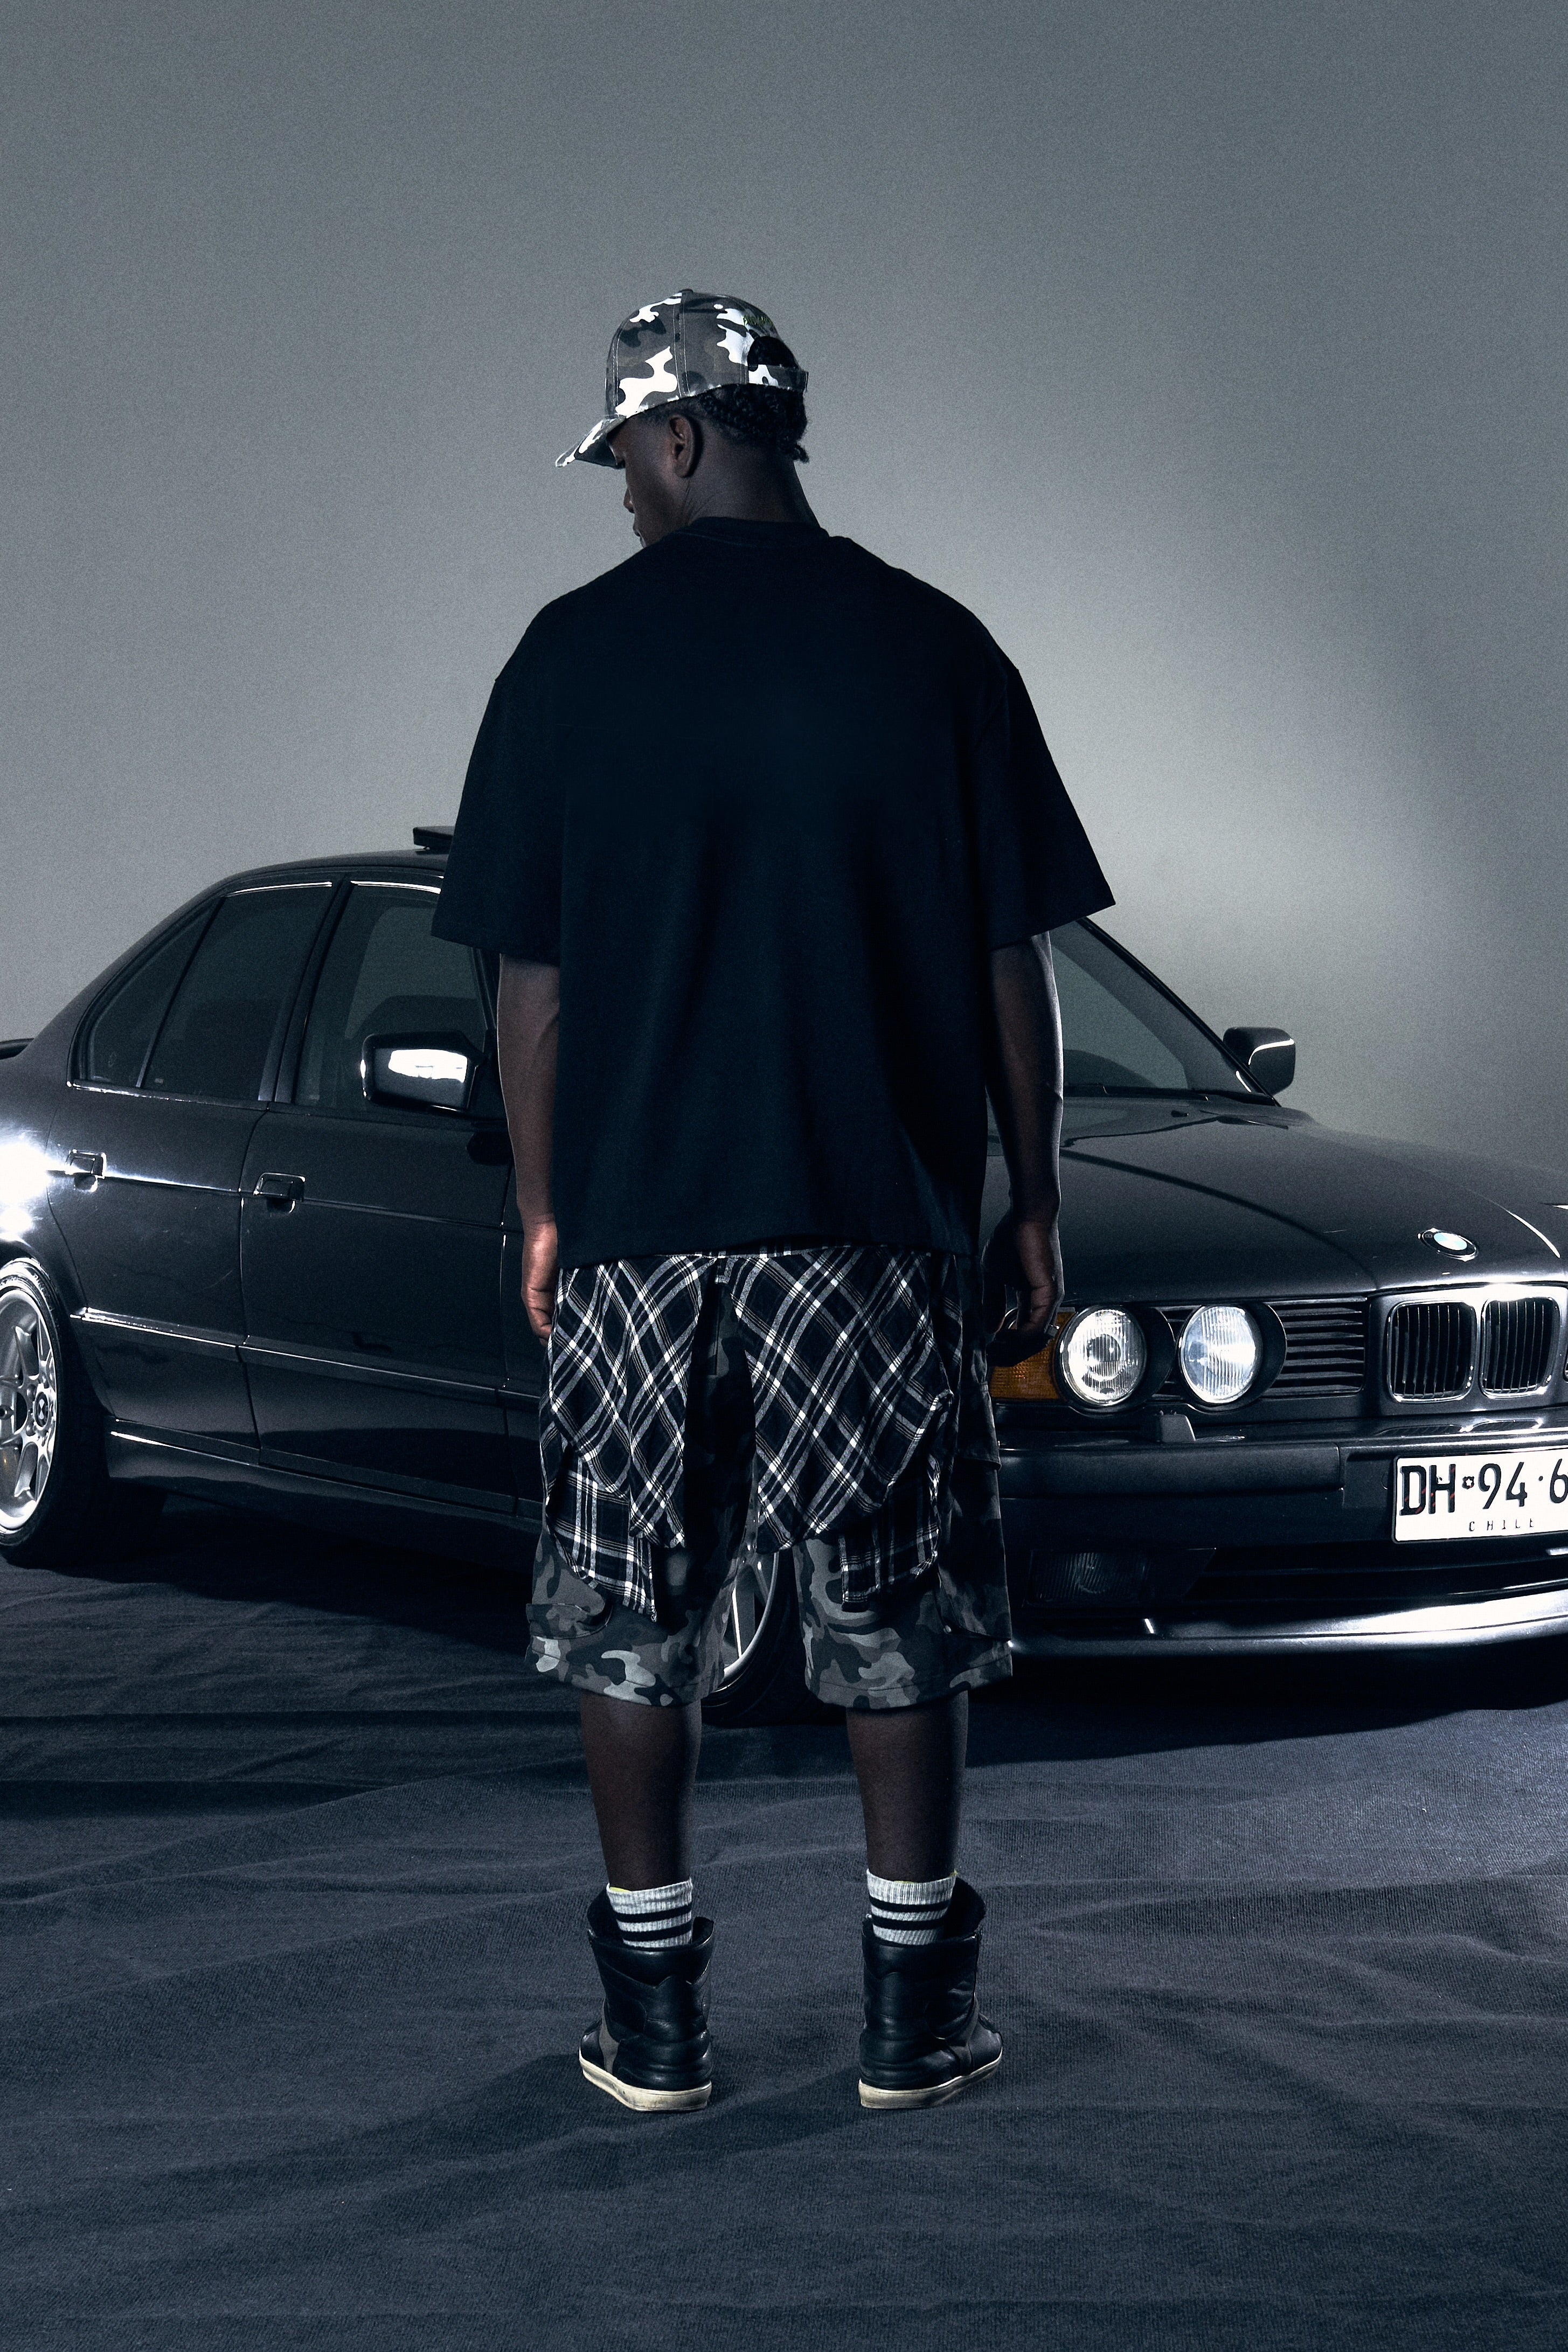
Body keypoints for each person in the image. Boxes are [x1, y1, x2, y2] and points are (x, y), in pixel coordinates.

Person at [434, 289, 1111, 2114]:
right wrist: (1033, 1198)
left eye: (625, 463)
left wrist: (545, 1212)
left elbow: (533, 990)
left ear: (680, 436)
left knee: (629, 1613)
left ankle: (656, 2034)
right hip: (867, 1223)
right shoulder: (937, 649)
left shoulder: (566, 660)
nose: (624, 498)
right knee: (896, 1612)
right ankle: (912, 2023)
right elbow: (1010, 962)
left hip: (643, 1230)